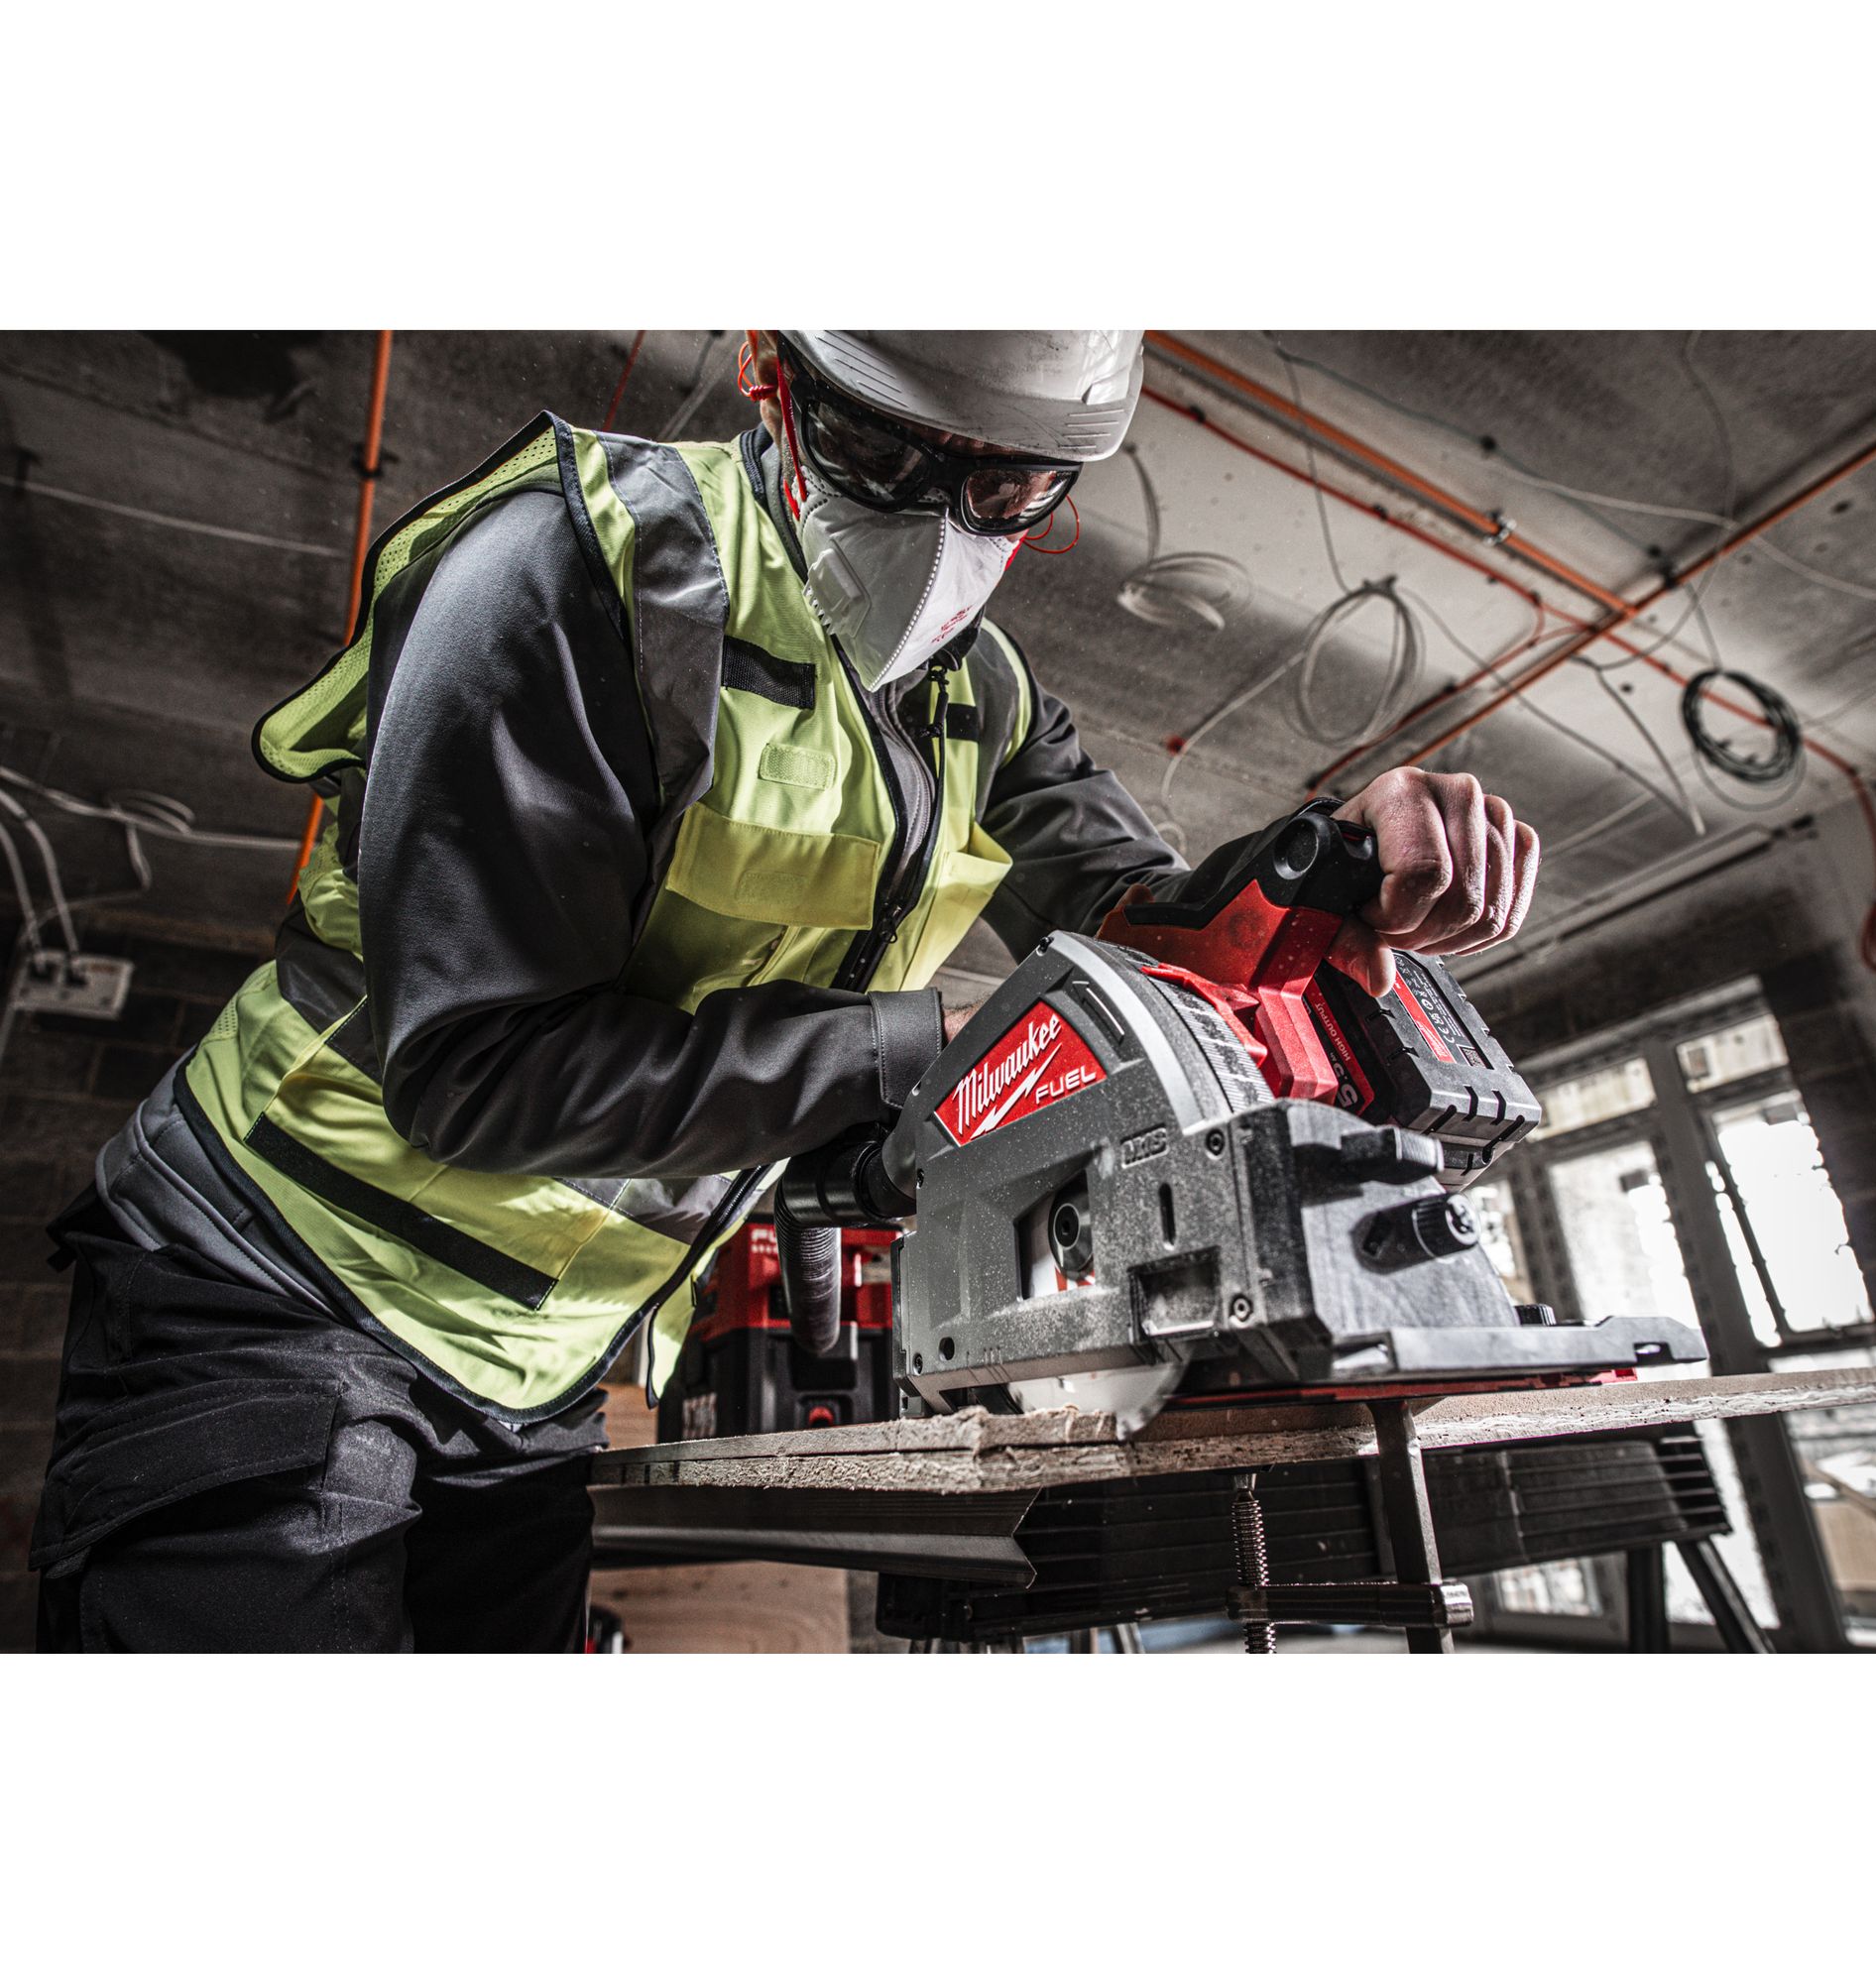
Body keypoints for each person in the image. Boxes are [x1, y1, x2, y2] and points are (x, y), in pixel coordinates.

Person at [32, 330, 1540, 1652]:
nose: (940, 531)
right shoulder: (574, 576)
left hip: (539, 1359)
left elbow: (1158, 935)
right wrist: (926, 1051)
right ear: (773, 378)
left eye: (1006, 487)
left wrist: (1333, 859)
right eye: (884, 455)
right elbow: (475, 1073)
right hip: (280, 1280)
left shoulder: (985, 699)